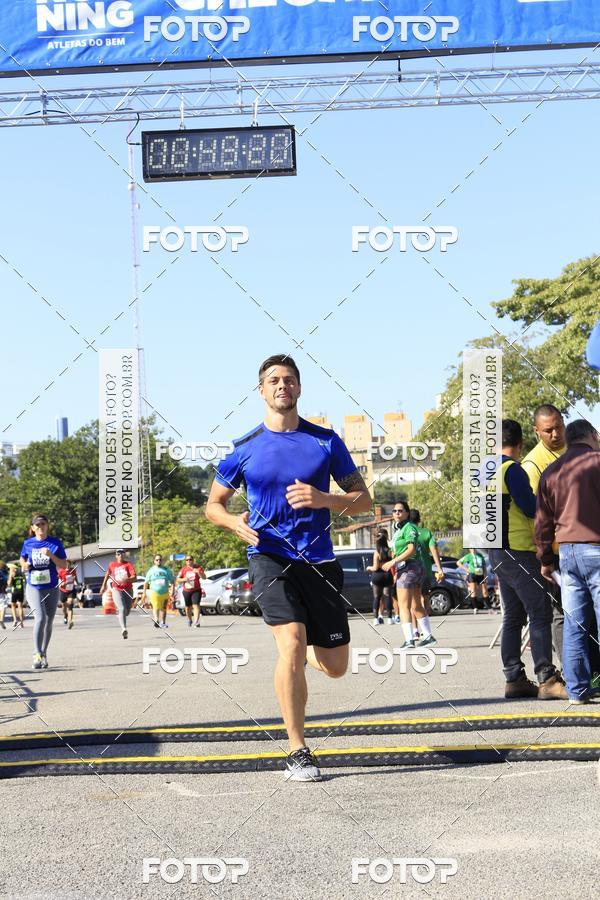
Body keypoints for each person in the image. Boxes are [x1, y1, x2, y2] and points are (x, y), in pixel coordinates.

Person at [206, 354, 371, 782]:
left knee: (335, 666)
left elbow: (364, 500)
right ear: (261, 390)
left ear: (299, 388)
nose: (283, 386)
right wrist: (232, 523)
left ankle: (293, 661)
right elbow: (213, 505)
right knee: (292, 643)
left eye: (290, 380)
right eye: (274, 381)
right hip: (269, 557)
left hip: (319, 561)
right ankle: (298, 749)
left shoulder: (325, 441)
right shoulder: (244, 448)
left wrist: (325, 500)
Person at [488, 420, 567, 700]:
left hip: (496, 551)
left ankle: (514, 678)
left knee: (513, 616)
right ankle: (546, 678)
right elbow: (530, 506)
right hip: (518, 550)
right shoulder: (513, 469)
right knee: (540, 611)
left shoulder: (484, 473)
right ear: (520, 444)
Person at [535, 419, 600, 704]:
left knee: (575, 623)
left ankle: (576, 690)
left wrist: (546, 559)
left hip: (568, 553)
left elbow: (542, 524)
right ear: (593, 436)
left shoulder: (551, 472)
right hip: (596, 548)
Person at [521, 403, 566, 664]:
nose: (555, 434)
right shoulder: (533, 465)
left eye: (559, 427)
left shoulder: (576, 449)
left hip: (583, 544)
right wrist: (545, 555)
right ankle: (571, 671)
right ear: (537, 431)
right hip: (555, 551)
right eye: (548, 430)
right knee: (561, 612)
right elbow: (537, 515)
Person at [381, 500, 433, 649]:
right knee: (416, 605)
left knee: (404, 606)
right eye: (394, 511)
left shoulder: (409, 527)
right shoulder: (399, 529)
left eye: (400, 510)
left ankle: (409, 640)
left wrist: (393, 562)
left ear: (407, 513)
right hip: (410, 569)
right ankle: (428, 636)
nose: (397, 513)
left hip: (410, 568)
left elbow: (411, 549)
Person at [19, 514, 67, 670]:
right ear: (33, 528)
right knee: (40, 617)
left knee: (49, 620)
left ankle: (44, 653)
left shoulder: (55, 543)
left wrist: (51, 555)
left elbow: (64, 565)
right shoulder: (28, 543)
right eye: (37, 525)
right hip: (33, 587)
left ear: (47, 526)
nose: (41, 527)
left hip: (52, 587)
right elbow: (22, 560)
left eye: (43, 524)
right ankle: (36, 653)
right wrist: (24, 565)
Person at [409, 509, 443, 623]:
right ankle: (425, 625)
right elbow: (434, 551)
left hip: (411, 570)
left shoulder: (406, 532)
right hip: (425, 571)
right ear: (419, 519)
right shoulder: (426, 533)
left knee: (414, 600)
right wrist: (439, 569)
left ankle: (415, 630)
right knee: (425, 597)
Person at [100, 550, 137, 639]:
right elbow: (107, 574)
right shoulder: (112, 564)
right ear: (116, 556)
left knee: (126, 611)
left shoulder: (128, 565)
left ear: (124, 555)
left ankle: (122, 616)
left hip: (128, 590)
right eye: (118, 554)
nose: (120, 555)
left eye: (121, 554)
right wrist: (103, 585)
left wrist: (127, 580)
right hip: (116, 589)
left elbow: (134, 577)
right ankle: (124, 629)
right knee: (122, 608)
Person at [366, 530, 394, 625]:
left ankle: (375, 619)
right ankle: (390, 618)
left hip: (377, 576)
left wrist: (368, 567)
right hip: (387, 575)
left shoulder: (376, 552)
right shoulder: (390, 551)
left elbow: (375, 567)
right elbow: (393, 563)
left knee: (376, 597)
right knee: (387, 596)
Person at [142, 554, 174, 628]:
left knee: (163, 608)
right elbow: (146, 582)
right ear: (154, 561)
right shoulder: (151, 571)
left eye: (160, 560)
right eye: (157, 560)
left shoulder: (166, 570)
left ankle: (163, 622)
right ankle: (156, 620)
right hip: (154, 592)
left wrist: (172, 590)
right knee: (155, 607)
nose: (158, 561)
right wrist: (144, 593)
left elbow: (172, 581)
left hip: (165, 592)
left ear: (162, 561)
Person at [457, 548, 490, 613]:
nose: (473, 549)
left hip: (481, 574)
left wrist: (485, 575)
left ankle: (490, 608)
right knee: (473, 591)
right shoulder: (468, 556)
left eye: (474, 548)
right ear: (469, 549)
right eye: (471, 548)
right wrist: (466, 569)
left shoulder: (480, 555)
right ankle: (475, 608)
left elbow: (484, 566)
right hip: (473, 574)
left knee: (485, 591)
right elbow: (458, 562)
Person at [176, 554, 203, 627]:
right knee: (188, 607)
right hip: (187, 590)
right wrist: (183, 579)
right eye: (187, 560)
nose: (189, 561)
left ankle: (196, 621)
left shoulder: (198, 568)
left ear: (193, 560)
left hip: (196, 590)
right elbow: (178, 579)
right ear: (185, 561)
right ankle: (189, 619)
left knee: (196, 605)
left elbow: (204, 577)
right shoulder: (183, 569)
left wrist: (198, 572)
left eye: (190, 559)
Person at [57, 561, 78, 629]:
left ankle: (70, 621)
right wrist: (61, 584)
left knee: (70, 604)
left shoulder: (73, 570)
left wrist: (77, 582)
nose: (68, 567)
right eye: (66, 565)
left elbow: (75, 577)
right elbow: (58, 579)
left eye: (69, 565)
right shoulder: (60, 571)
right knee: (64, 606)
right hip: (63, 590)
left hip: (71, 590)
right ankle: (65, 616)